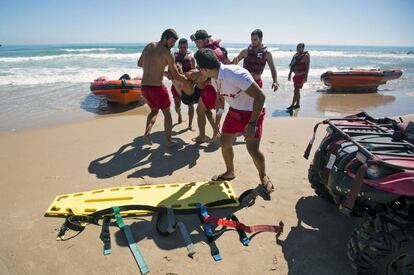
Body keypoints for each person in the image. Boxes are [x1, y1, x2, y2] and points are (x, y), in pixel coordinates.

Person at [194, 48, 274, 197]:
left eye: (199, 68)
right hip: (234, 112)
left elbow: (260, 97)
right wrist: (217, 124)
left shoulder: (236, 75)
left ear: (204, 69)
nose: (199, 71)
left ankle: (263, 175)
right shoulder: (214, 78)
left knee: (252, 150)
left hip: (253, 112)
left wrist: (252, 124)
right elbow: (221, 99)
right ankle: (230, 172)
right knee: (224, 143)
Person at [137, 28, 187, 147]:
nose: (173, 45)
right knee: (167, 114)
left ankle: (147, 133)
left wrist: (155, 68)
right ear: (164, 38)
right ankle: (169, 141)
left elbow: (139, 63)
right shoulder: (168, 54)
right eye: (171, 42)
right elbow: (175, 75)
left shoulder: (149, 46)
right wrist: (188, 80)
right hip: (157, 88)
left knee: (154, 110)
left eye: (174, 42)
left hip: (144, 87)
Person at [190, 29, 229, 143]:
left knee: (200, 110)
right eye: (196, 42)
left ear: (206, 40)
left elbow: (203, 75)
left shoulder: (206, 53)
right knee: (219, 110)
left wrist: (193, 80)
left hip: (212, 86)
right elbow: (228, 64)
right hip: (224, 85)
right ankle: (217, 132)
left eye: (198, 42)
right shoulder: (219, 49)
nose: (197, 45)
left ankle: (204, 135)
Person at [171, 38, 196, 129]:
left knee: (191, 105)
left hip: (187, 84)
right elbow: (170, 69)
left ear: (187, 47)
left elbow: (194, 71)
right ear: (178, 47)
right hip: (176, 84)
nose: (182, 49)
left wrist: (193, 82)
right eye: (181, 47)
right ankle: (179, 115)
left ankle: (190, 125)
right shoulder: (174, 56)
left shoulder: (191, 57)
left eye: (184, 47)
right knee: (177, 106)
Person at [287, 43, 310, 110]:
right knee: (297, 91)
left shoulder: (306, 56)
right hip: (296, 76)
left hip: (301, 76)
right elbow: (292, 66)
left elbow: (307, 68)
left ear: (303, 48)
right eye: (297, 47)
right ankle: (297, 104)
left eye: (299, 47)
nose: (298, 49)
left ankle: (292, 105)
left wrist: (306, 77)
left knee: (296, 90)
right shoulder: (295, 55)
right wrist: (289, 74)